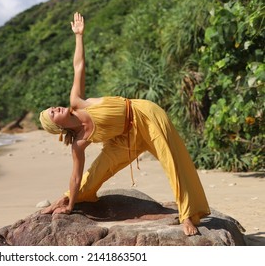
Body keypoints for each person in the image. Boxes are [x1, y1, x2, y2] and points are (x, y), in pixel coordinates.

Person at [39, 12, 210, 236]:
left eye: (53, 108)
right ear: (58, 127)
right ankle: (68, 198)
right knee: (95, 173)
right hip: (124, 140)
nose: (56, 108)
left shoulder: (77, 103)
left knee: (172, 162)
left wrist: (79, 36)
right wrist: (69, 205)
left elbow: (78, 66)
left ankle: (188, 215)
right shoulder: (79, 143)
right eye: (52, 113)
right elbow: (76, 175)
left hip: (145, 116)